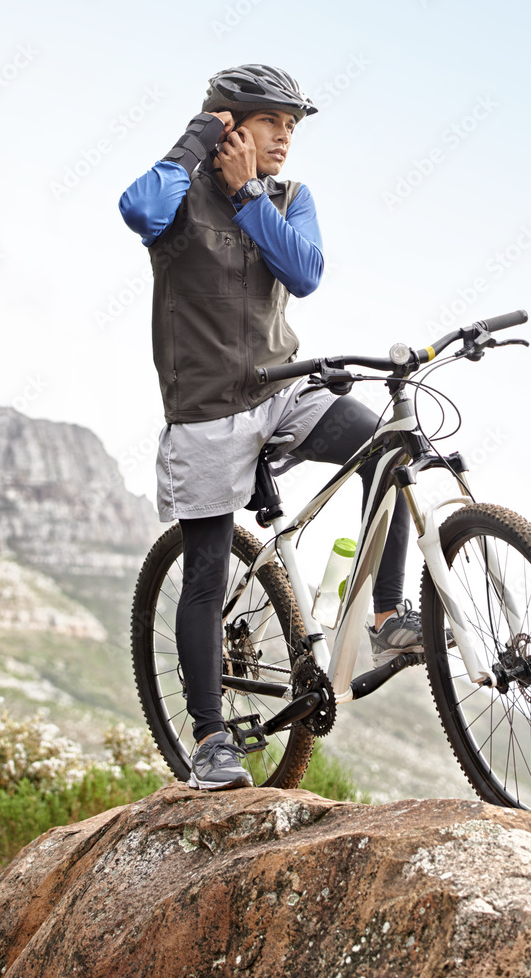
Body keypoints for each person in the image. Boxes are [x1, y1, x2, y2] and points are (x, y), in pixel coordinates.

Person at [119, 64, 424, 791]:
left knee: (389, 448)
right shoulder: (177, 199)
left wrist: (250, 192)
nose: (286, 136)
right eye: (271, 123)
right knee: (205, 574)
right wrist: (197, 142)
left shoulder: (288, 197)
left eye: (293, 125)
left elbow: (306, 271)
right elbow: (136, 209)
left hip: (284, 390)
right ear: (231, 125)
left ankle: (386, 611)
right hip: (205, 414)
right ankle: (209, 741)